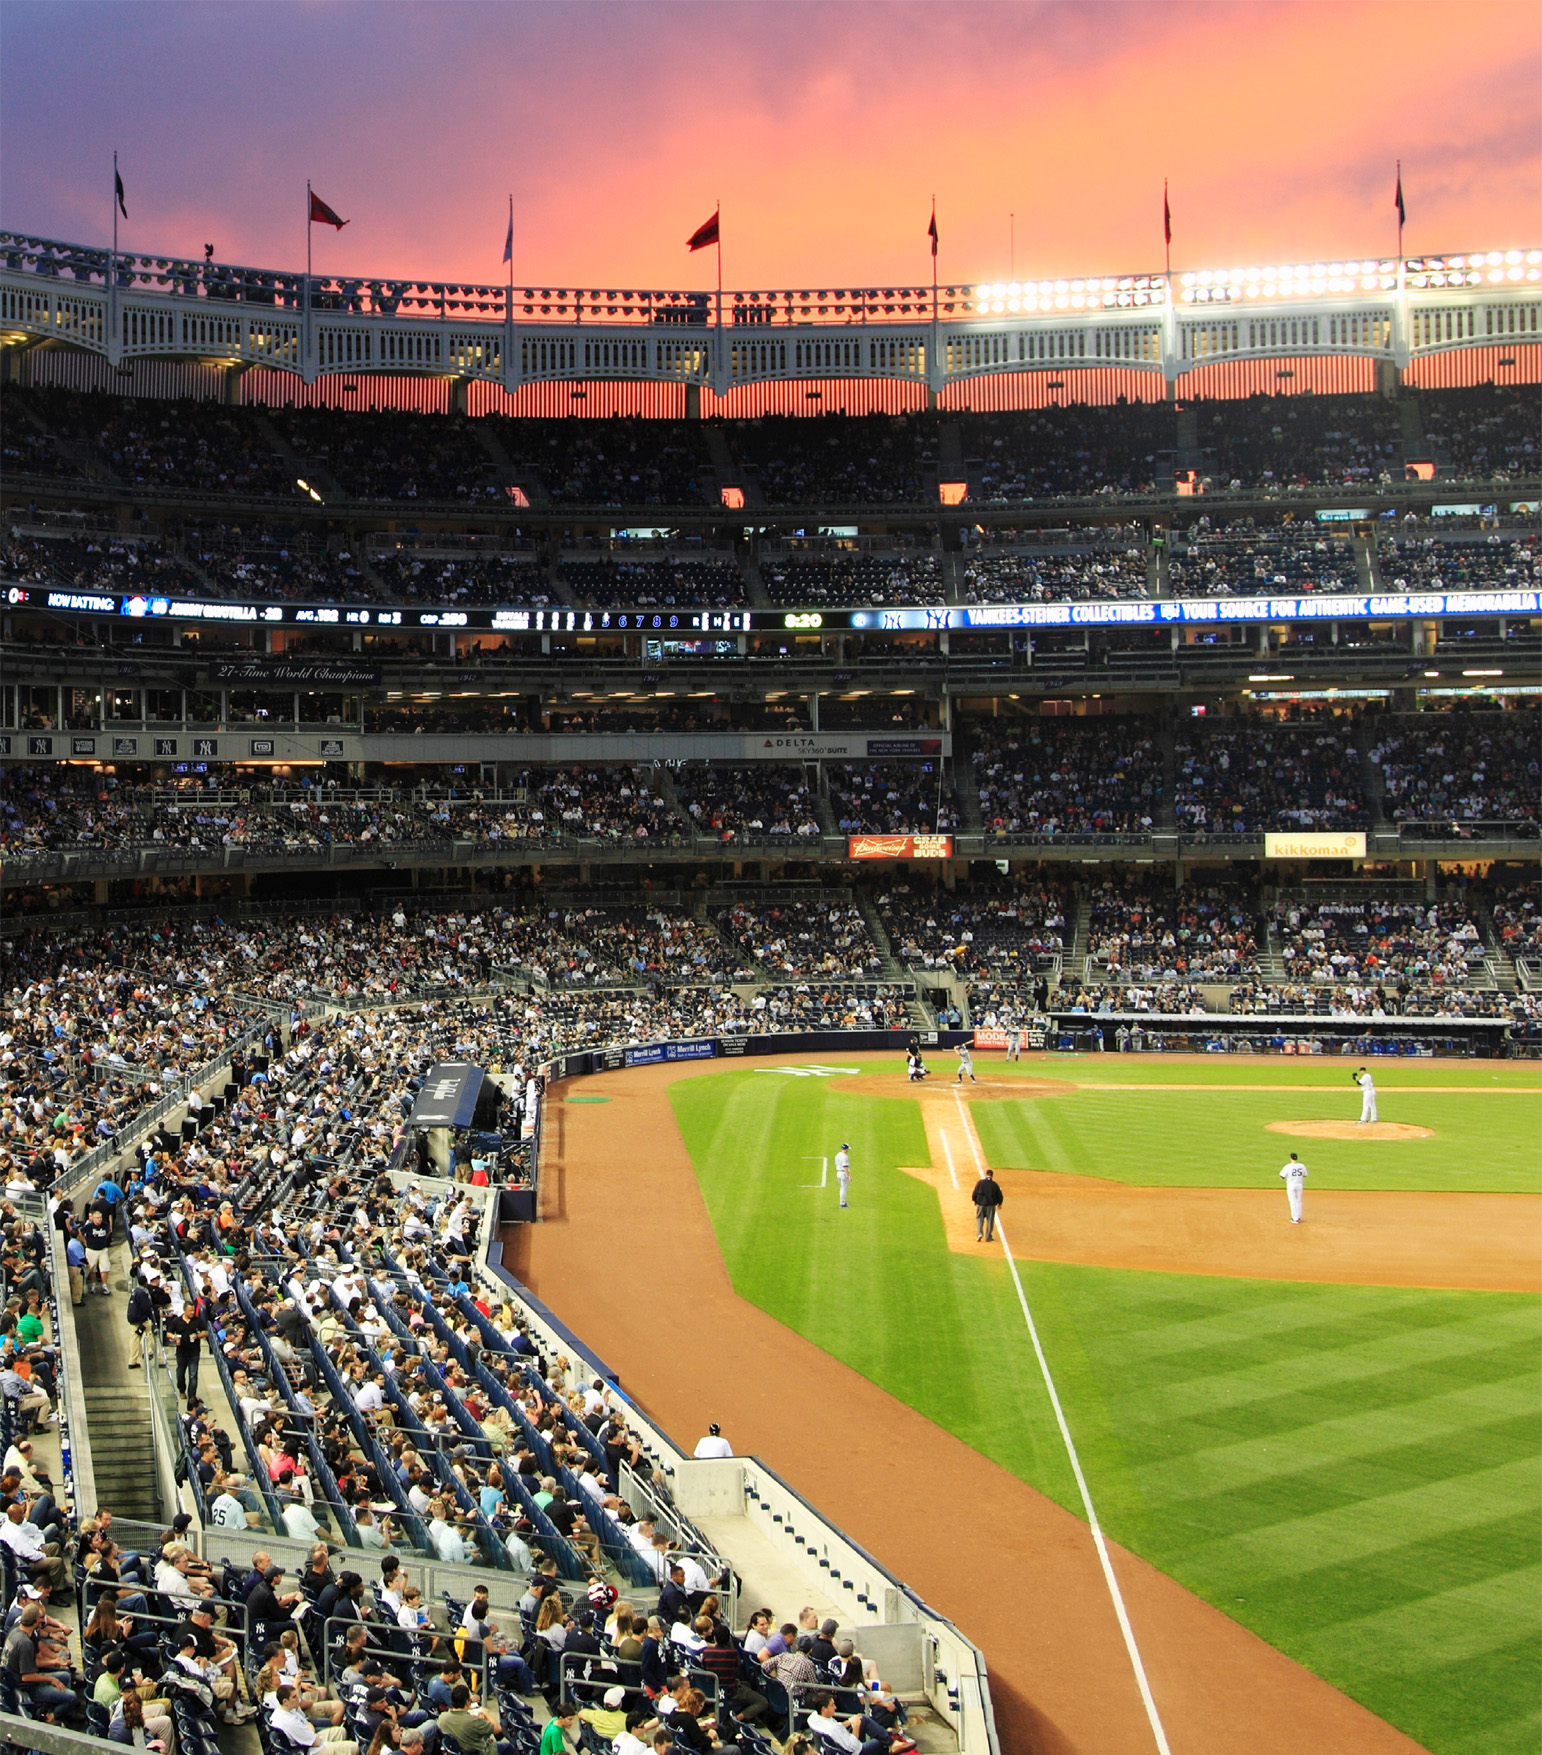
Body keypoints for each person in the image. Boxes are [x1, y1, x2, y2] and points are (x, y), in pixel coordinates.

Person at [971, 1168, 1004, 1243]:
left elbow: (975, 1192)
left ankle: (979, 1233)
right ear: (992, 1176)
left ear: (986, 1175)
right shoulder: (995, 1185)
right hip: (991, 1206)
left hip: (981, 1205)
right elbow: (999, 1195)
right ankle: (988, 1237)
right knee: (990, 1220)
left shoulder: (980, 1183)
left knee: (979, 1219)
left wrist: (975, 1200)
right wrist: (999, 1203)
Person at [1279, 1153, 1308, 1224]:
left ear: (1291, 1158)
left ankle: (1295, 1218)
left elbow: (1282, 1176)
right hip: (1300, 1185)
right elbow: (1305, 1175)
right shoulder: (1302, 1166)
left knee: (1292, 1201)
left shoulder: (1288, 1166)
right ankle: (1298, 1217)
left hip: (1291, 1185)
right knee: (1299, 1201)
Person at [835, 1143, 852, 1210]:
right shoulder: (845, 1157)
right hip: (843, 1174)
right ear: (846, 1149)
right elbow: (845, 1167)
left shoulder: (838, 1155)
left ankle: (842, 1202)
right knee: (843, 1189)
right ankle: (842, 1203)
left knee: (841, 1188)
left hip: (838, 1173)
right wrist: (849, 1176)